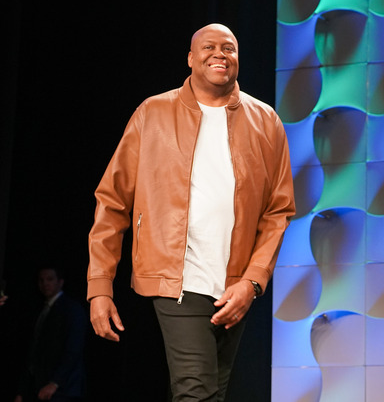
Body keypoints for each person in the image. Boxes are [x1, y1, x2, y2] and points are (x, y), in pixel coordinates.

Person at [87, 23, 295, 401]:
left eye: (229, 48)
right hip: (176, 278)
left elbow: (278, 211)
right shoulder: (153, 113)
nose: (220, 54)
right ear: (190, 58)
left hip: (234, 286)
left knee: (208, 394)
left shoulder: (266, 121)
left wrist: (252, 281)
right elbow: (113, 200)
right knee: (196, 392)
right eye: (209, 47)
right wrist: (99, 286)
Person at [16, 265, 87, 402]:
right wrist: (22, 391)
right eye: (41, 280)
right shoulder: (40, 310)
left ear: (60, 282)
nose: (45, 284)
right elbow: (33, 351)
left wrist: (55, 382)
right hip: (39, 386)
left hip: (63, 389)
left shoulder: (71, 310)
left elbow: (73, 349)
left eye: (49, 279)